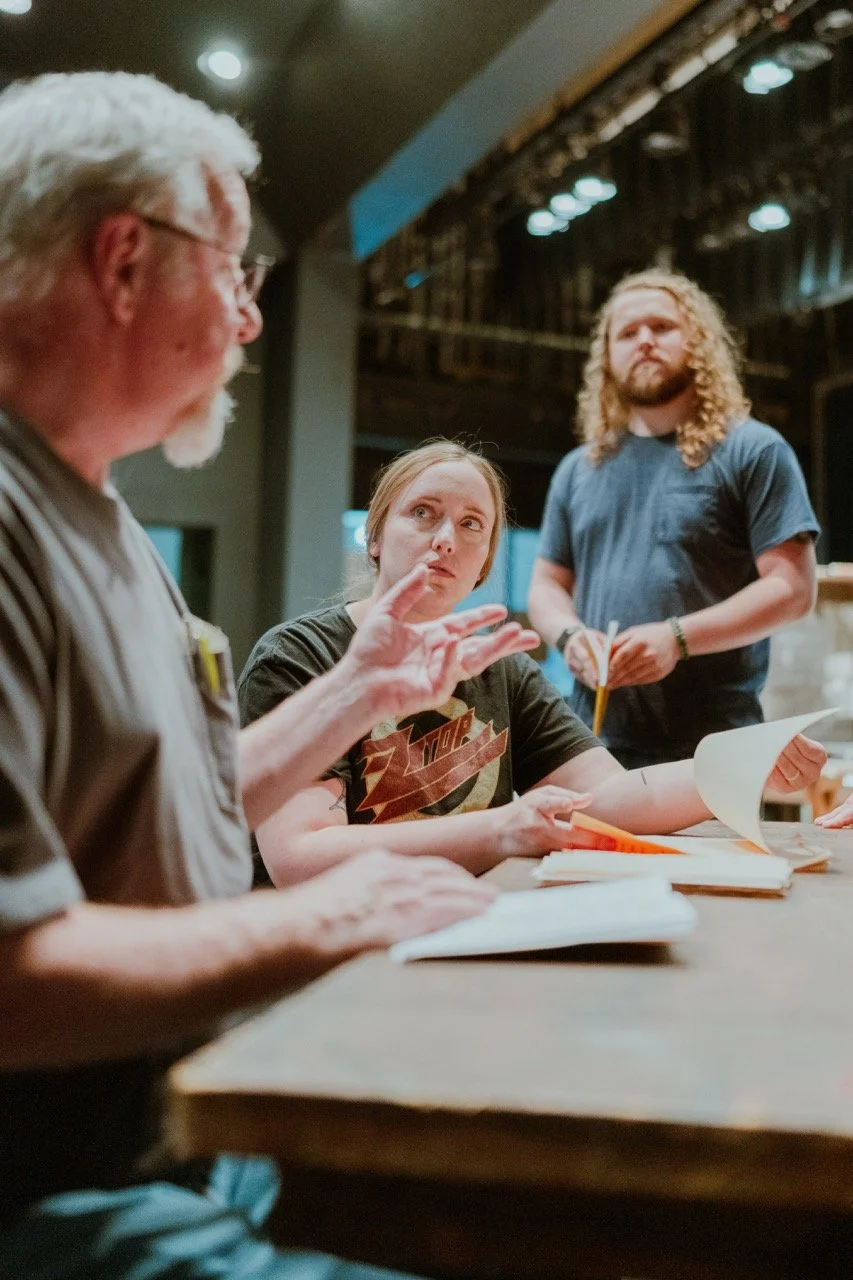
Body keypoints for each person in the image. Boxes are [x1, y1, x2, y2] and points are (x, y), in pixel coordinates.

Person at [0, 70, 554, 1280]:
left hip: (186, 1119)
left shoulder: (96, 514)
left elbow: (183, 807)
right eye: (234, 269)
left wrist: (362, 687)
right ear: (124, 260)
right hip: (59, 1191)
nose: (251, 320)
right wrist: (330, 912)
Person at [238, 440, 825, 889]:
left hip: (459, 929)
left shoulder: (500, 668)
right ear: (374, 536)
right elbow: (301, 857)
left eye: (472, 524)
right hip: (329, 960)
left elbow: (613, 800)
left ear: (484, 563)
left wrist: (742, 765)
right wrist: (503, 830)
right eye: (423, 512)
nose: (446, 538)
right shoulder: (300, 657)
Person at [527, 269, 820, 770]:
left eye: (662, 327)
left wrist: (676, 639)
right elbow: (546, 587)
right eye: (627, 332)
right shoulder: (579, 468)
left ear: (697, 341)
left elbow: (793, 590)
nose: (644, 341)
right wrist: (570, 637)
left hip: (713, 750)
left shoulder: (753, 450)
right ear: (607, 357)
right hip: (591, 746)